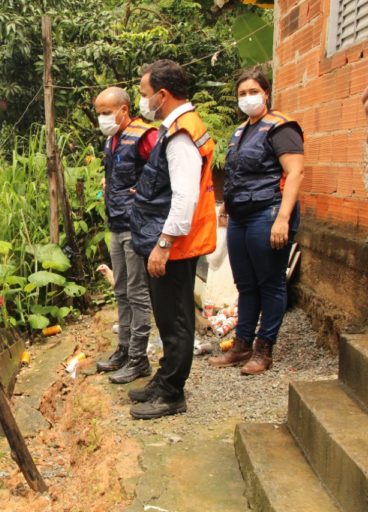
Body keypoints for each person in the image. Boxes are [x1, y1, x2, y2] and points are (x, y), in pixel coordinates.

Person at [127, 59, 217, 420]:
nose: (142, 99)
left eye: (145, 93)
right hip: (171, 238)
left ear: (162, 95)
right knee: (168, 316)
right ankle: (164, 378)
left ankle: (172, 392)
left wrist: (163, 245)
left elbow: (185, 197)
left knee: (176, 319)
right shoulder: (178, 127)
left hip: (177, 244)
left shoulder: (181, 133)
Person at [209, 68, 304, 375]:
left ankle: (264, 350)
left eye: (253, 92)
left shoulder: (280, 127)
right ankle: (241, 346)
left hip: (268, 212)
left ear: (266, 93)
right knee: (246, 284)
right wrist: (226, 206)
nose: (247, 98)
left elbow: (295, 173)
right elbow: (237, 174)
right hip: (241, 216)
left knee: (271, 282)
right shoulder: (241, 131)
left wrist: (282, 219)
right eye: (242, 93)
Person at [93, 87, 157, 384]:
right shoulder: (112, 139)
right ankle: (124, 350)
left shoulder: (144, 134)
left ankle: (139, 358)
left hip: (136, 225)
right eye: (99, 113)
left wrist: (144, 189)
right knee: (120, 289)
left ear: (123, 109)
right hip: (116, 222)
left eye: (107, 112)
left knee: (137, 292)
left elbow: (161, 169)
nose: (102, 118)